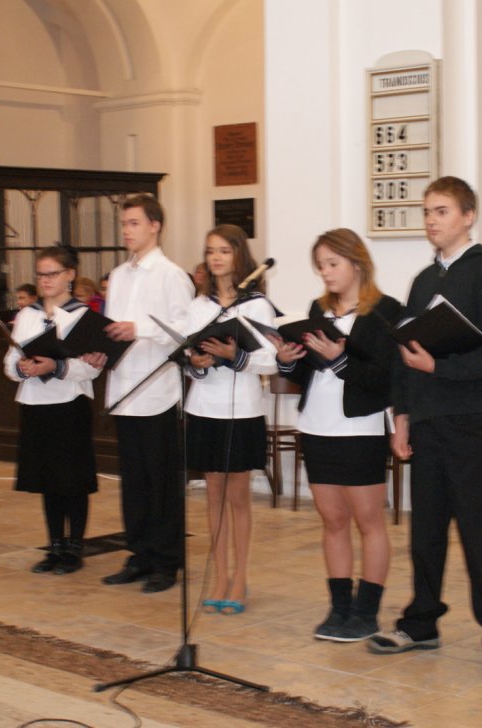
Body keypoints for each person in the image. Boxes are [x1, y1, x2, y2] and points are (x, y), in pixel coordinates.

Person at [372, 176, 482, 683]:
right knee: (427, 530)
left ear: (468, 216)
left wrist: (439, 367)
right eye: (427, 211)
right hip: (427, 420)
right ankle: (421, 622)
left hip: (469, 418)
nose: (431, 220)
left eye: (441, 211)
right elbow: (405, 353)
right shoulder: (422, 281)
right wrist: (401, 416)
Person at [270, 228, 402, 642]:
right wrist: (287, 360)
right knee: (332, 521)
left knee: (369, 521)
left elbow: (385, 379)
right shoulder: (318, 310)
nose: (325, 273)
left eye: (332, 264)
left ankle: (367, 611)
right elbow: (305, 372)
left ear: (356, 263)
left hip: (360, 426)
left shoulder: (386, 312)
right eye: (320, 266)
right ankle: (339, 607)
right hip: (317, 424)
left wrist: (341, 360)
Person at [102, 194, 194, 593]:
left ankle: (166, 561)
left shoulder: (172, 275)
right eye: (124, 224)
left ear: (155, 226)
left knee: (162, 482)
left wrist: (139, 329)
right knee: (134, 482)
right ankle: (138, 554)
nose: (126, 231)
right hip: (124, 389)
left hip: (157, 391)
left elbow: (186, 332)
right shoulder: (119, 275)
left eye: (134, 223)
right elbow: (111, 327)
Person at [184, 224, 277, 615]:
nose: (216, 258)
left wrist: (233, 356)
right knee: (214, 497)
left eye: (224, 250)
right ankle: (219, 575)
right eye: (210, 251)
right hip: (204, 407)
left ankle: (240, 577)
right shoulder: (198, 306)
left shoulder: (256, 305)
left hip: (242, 409)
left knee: (238, 498)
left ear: (239, 254)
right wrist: (197, 361)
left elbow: (270, 360)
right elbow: (188, 360)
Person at [4, 247, 106, 575]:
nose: (45, 280)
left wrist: (56, 366)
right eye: (41, 275)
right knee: (47, 480)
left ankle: (74, 547)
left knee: (71, 480)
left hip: (69, 404)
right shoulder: (28, 314)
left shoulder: (82, 315)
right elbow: (9, 361)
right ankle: (55, 545)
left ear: (70, 274)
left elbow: (91, 368)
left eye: (52, 274)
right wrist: (21, 367)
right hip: (35, 404)